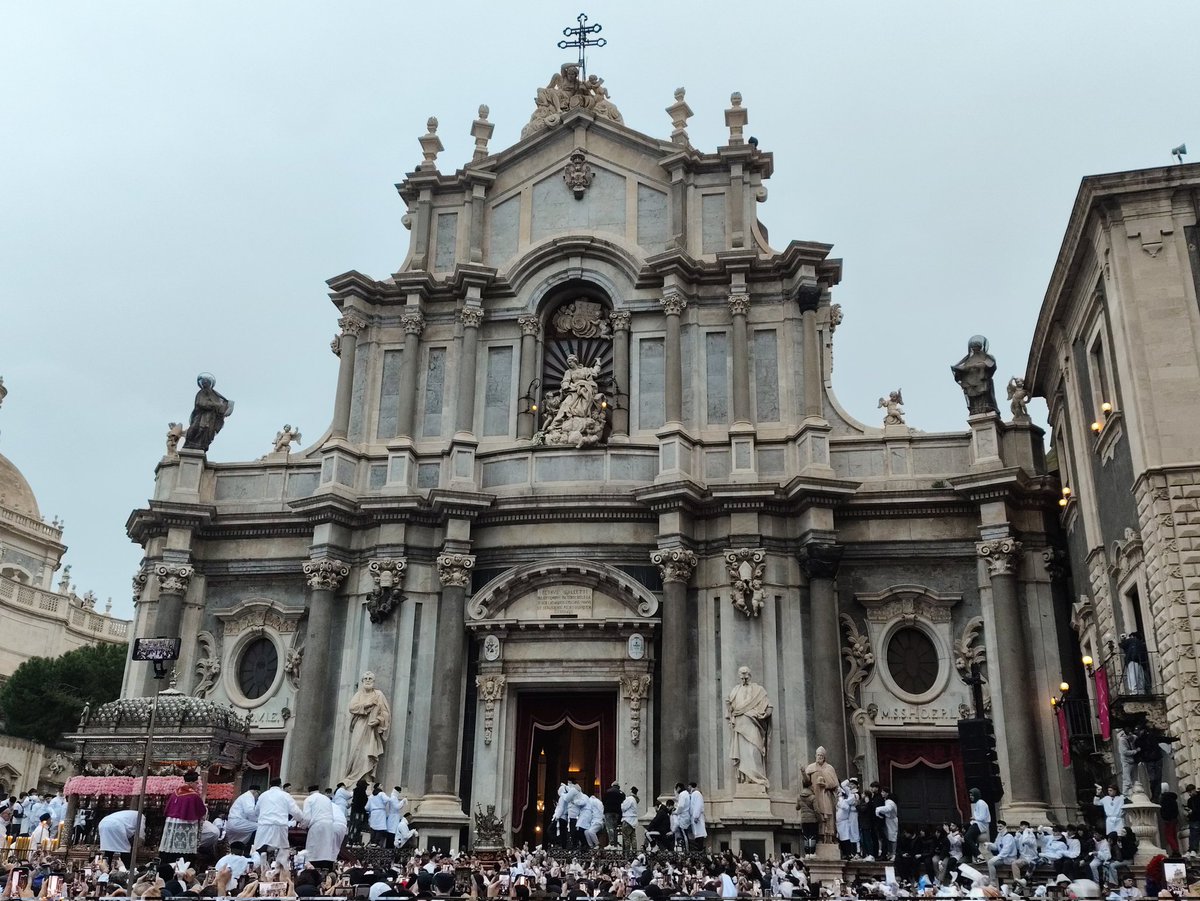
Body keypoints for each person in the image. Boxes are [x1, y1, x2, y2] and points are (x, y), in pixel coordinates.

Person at [726, 667, 773, 787]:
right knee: (743, 754)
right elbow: (730, 710)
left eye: (745, 676)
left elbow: (769, 706)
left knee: (754, 751)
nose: (744, 679)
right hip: (740, 727)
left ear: (750, 675)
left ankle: (757, 778)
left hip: (754, 724)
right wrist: (729, 708)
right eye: (741, 677)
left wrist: (763, 715)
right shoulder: (735, 690)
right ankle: (747, 779)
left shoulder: (758, 690)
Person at [343, 673, 391, 786]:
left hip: (371, 728)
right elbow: (352, 707)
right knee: (356, 751)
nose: (368, 681)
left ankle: (367, 778)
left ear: (373, 681)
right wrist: (367, 704)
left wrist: (379, 720)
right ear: (362, 681)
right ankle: (353, 777)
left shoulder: (378, 694)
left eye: (370, 679)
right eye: (365, 679)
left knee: (368, 753)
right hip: (360, 725)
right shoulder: (359, 694)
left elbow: (385, 712)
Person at [160, 771, 207, 859]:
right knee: (183, 852)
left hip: (171, 824)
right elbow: (201, 811)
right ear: (191, 783)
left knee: (171, 846)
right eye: (197, 783)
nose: (197, 785)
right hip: (186, 825)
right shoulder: (193, 795)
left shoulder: (175, 792)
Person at [184, 374, 233, 451]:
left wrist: (228, 406)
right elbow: (200, 403)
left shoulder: (215, 394)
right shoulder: (201, 393)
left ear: (210, 384)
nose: (205, 384)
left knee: (207, 431)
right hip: (201, 415)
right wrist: (214, 405)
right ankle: (190, 443)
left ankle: (202, 444)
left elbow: (221, 406)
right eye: (203, 382)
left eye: (206, 382)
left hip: (211, 417)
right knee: (195, 428)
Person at [951, 335, 998, 415]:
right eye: (973, 347)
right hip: (970, 381)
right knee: (972, 396)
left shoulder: (987, 356)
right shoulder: (968, 359)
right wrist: (963, 368)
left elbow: (990, 363)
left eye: (976, 346)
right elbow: (962, 367)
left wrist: (981, 365)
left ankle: (984, 408)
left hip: (981, 380)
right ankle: (975, 409)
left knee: (983, 394)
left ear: (980, 347)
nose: (974, 348)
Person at [253, 778, 303, 853]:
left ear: (270, 785)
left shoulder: (263, 795)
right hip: (279, 827)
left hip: (264, 827)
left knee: (259, 852)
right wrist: (301, 819)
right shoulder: (285, 795)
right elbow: (296, 811)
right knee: (280, 854)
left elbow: (256, 812)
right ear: (280, 785)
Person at [803, 747, 839, 844]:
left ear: (824, 757)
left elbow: (835, 783)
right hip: (815, 796)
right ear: (815, 755)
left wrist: (826, 785)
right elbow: (806, 782)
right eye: (818, 755)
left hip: (826, 795)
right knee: (818, 816)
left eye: (821, 756)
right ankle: (819, 837)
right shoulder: (810, 768)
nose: (819, 757)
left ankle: (829, 838)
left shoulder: (829, 768)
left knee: (827, 817)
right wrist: (803, 772)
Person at [302, 785, 339, 868]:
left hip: (317, 825)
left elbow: (307, 818)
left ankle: (314, 868)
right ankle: (325, 870)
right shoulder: (326, 798)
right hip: (329, 825)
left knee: (314, 851)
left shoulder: (309, 799)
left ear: (309, 792)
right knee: (326, 850)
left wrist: (303, 826)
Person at [965, 787, 991, 862]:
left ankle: (979, 855)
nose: (970, 797)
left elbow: (982, 817)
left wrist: (974, 818)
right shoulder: (978, 803)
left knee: (967, 837)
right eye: (970, 795)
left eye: (972, 795)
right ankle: (973, 853)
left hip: (981, 825)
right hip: (977, 823)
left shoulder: (981, 803)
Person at [875, 787, 898, 860]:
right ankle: (890, 852)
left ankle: (894, 853)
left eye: (883, 792)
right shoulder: (886, 800)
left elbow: (888, 808)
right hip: (888, 820)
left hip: (892, 821)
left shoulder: (890, 801)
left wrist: (878, 809)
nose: (881, 793)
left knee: (893, 837)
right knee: (888, 837)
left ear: (887, 793)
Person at [672, 783, 693, 853]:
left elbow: (681, 806)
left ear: (679, 788)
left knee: (684, 835)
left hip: (683, 817)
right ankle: (686, 849)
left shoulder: (682, 794)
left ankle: (687, 850)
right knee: (685, 834)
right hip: (686, 816)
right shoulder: (686, 793)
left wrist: (676, 812)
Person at [689, 782, 707, 850]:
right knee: (697, 835)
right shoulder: (694, 794)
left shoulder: (697, 793)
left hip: (697, 818)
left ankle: (700, 849)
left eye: (689, 786)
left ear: (691, 786)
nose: (688, 788)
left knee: (699, 834)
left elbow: (698, 805)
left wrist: (696, 816)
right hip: (695, 817)